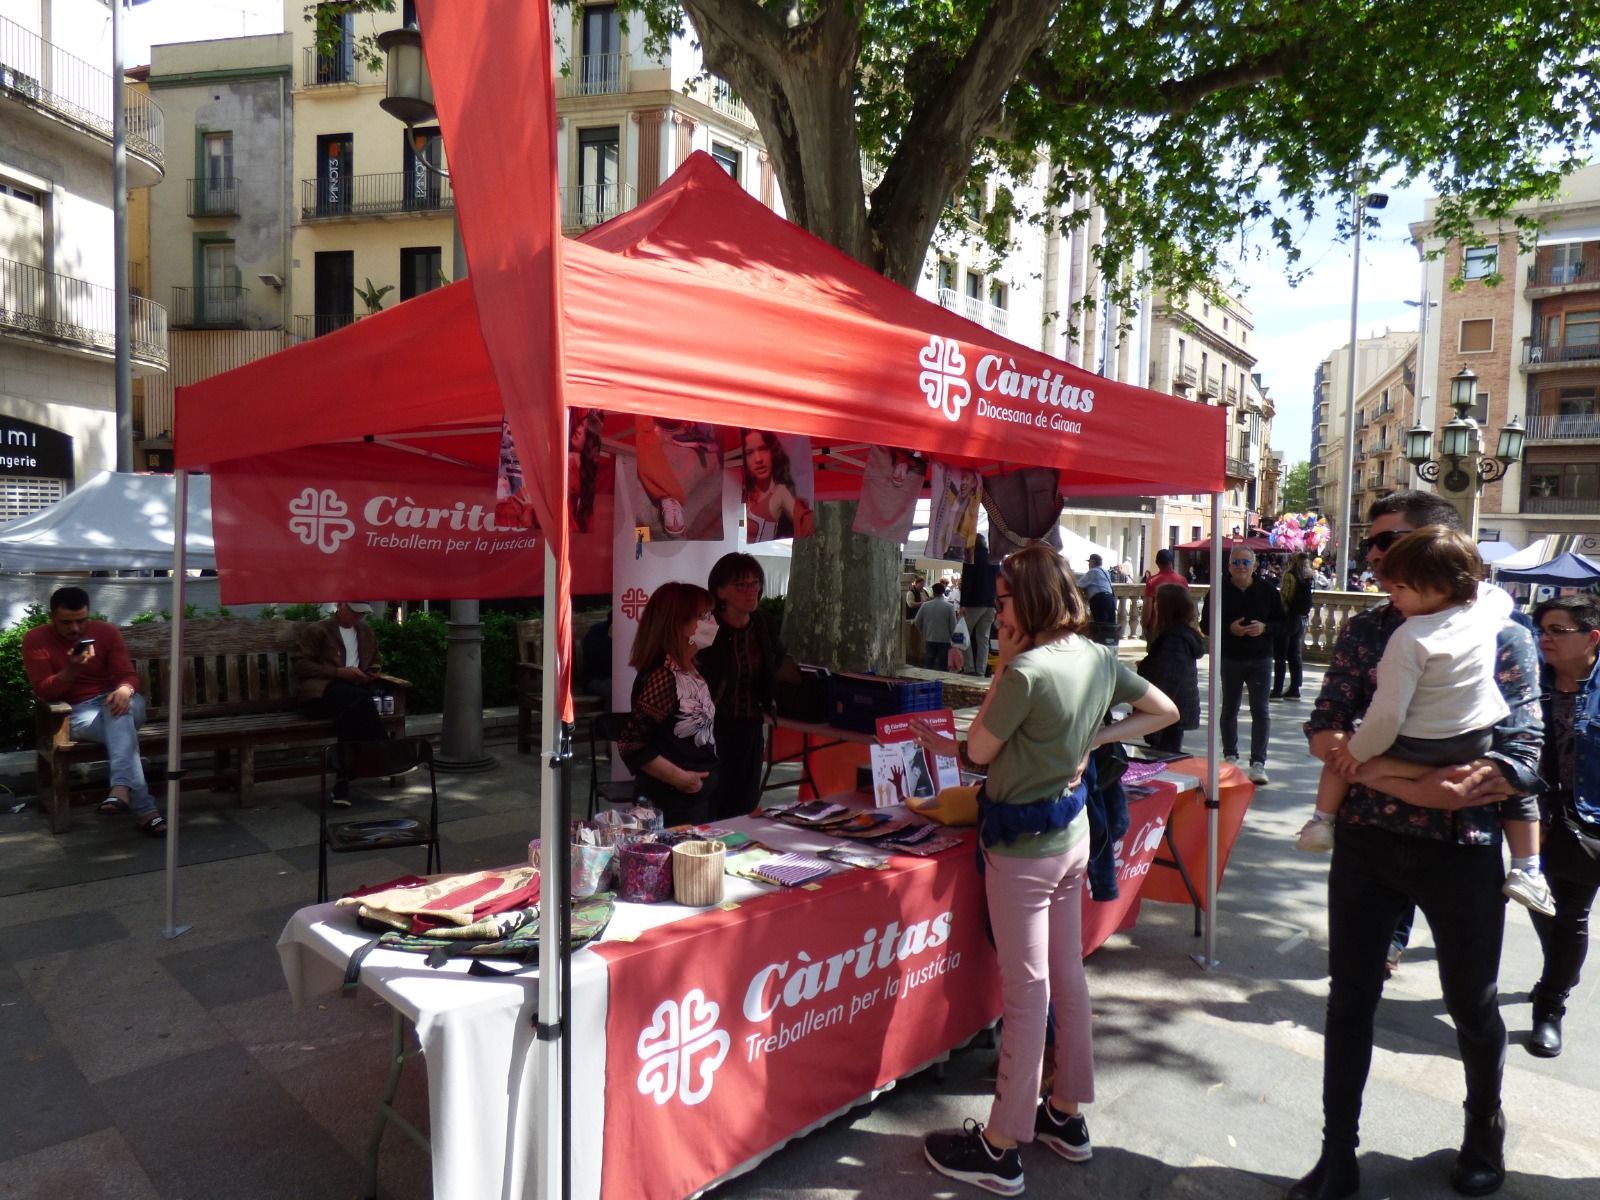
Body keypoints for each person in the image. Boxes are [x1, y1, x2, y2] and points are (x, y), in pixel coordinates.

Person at [1287, 491, 1544, 1200]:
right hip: (1367, 844)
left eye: (1389, 542)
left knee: (1473, 1003)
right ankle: (1338, 1155)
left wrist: (1401, 773)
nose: (1374, 556)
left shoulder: (1505, 632)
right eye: (1372, 544)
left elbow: (1522, 756)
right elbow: (1325, 724)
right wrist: (1411, 776)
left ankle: (1482, 1129)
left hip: (1458, 848)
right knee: (1348, 1003)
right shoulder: (1370, 630)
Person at [913, 545, 1178, 1196]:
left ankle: (1001, 1145)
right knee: (1067, 979)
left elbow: (977, 751)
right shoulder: (1095, 656)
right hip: (1072, 834)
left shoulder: (1025, 672)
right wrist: (1096, 738)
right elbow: (1165, 711)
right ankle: (1066, 1115)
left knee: (1028, 994)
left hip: (1023, 848)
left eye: (1003, 599)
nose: (996, 607)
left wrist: (1004, 665)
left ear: (1024, 601)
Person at [1296, 528, 1553, 910]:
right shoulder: (1484, 616)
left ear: (1434, 584)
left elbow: (1386, 715)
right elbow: (1496, 598)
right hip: (1471, 741)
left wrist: (1361, 758)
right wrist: (1420, 791)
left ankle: (1322, 820)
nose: (1386, 586)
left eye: (1398, 582)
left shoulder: (1410, 634)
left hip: (1456, 825)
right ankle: (1528, 869)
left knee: (1349, 749)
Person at [22, 586, 166, 836]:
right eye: (66, 622)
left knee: (118, 709)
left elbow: (128, 675)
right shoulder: (35, 639)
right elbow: (44, 691)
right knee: (121, 726)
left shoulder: (105, 632)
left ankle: (121, 789)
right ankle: (146, 811)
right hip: (75, 712)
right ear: (52, 617)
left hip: (120, 702)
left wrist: (124, 689)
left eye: (81, 621)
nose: (75, 628)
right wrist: (72, 670)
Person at [1524, 595, 1600, 1059]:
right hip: (1534, 817)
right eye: (1542, 630)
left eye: (1557, 630)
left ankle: (1550, 1005)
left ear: (1592, 638)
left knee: (1570, 917)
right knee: (1542, 906)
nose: (1545, 639)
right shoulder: (1528, 679)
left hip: (1590, 823)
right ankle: (1562, 973)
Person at [698, 554, 801, 819]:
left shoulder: (762, 623)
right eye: (742, 585)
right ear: (720, 591)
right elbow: (693, 667)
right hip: (712, 729)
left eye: (755, 583)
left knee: (745, 801)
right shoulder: (707, 625)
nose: (751, 590)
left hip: (751, 725)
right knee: (714, 799)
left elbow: (776, 659)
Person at [617, 581, 721, 826]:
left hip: (695, 802)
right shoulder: (663, 675)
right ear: (681, 624)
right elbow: (631, 744)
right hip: (672, 807)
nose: (713, 622)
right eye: (705, 616)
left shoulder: (690, 668)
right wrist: (681, 779)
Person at [1200, 547, 1283, 785]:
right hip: (1230, 657)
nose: (1241, 566)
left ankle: (1258, 762)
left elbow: (1284, 624)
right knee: (1229, 708)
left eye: (1246, 562)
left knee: (1261, 710)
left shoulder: (1268, 591)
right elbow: (1205, 625)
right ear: (1228, 566)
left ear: (1255, 566)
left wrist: (1264, 628)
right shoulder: (1217, 591)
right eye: (1236, 562)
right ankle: (1230, 756)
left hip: (1261, 658)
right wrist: (1229, 629)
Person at [294, 602, 387, 804]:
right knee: (359, 700)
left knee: (350, 714)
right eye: (354, 613)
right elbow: (302, 665)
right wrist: (338, 673)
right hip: (321, 694)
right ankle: (383, 753)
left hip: (353, 696)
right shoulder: (318, 630)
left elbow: (376, 662)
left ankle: (342, 782)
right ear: (341, 606)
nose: (358, 618)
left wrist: (369, 674)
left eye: (362, 614)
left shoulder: (366, 632)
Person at [1136, 584, 1203, 756]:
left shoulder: (1174, 640)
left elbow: (1168, 680)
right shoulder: (1178, 636)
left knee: (1164, 758)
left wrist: (1153, 723)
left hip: (1169, 712)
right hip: (1175, 710)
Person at [742, 430, 814, 540]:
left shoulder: (780, 492)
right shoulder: (751, 491)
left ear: (773, 453)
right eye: (750, 453)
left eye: (763, 449)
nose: (758, 459)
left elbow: (806, 519)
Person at [1273, 552, 1316, 700]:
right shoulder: (1307, 577)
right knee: (1295, 655)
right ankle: (1295, 689)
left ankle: (1277, 690)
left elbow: (1284, 597)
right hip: (1300, 619)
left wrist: (1278, 615)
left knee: (1280, 656)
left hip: (1287, 618)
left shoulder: (1290, 575)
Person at [961, 534, 999, 678]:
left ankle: (969, 667)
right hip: (991, 604)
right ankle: (981, 671)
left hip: (973, 603)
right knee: (983, 638)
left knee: (964, 634)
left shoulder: (970, 558)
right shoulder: (994, 559)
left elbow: (967, 582)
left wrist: (963, 603)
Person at [1141, 547, 1188, 636]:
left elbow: (1147, 608)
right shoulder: (1182, 580)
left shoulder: (1152, 581)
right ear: (1172, 562)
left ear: (1157, 563)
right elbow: (1187, 606)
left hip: (1157, 627)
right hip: (1178, 628)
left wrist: (1144, 626)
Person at [914, 581, 961, 670]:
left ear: (933, 591)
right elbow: (953, 626)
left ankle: (928, 680)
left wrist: (923, 632)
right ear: (943, 592)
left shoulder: (925, 605)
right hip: (945, 640)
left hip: (929, 638)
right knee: (943, 665)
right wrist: (954, 641)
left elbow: (917, 621)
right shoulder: (949, 607)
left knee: (929, 663)